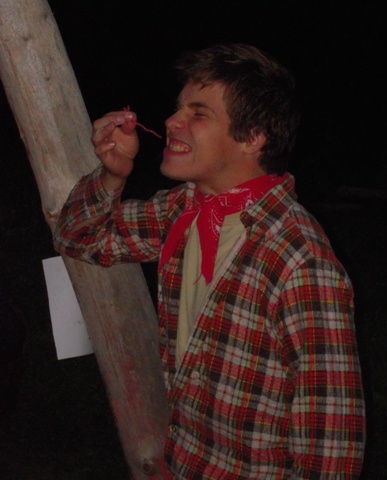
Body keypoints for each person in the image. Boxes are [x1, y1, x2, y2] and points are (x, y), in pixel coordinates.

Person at [53, 43, 365, 479]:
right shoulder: (183, 209)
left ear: (253, 136)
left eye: (198, 113)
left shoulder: (299, 262)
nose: (171, 121)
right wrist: (112, 175)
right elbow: (78, 236)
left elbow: (330, 451)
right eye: (178, 108)